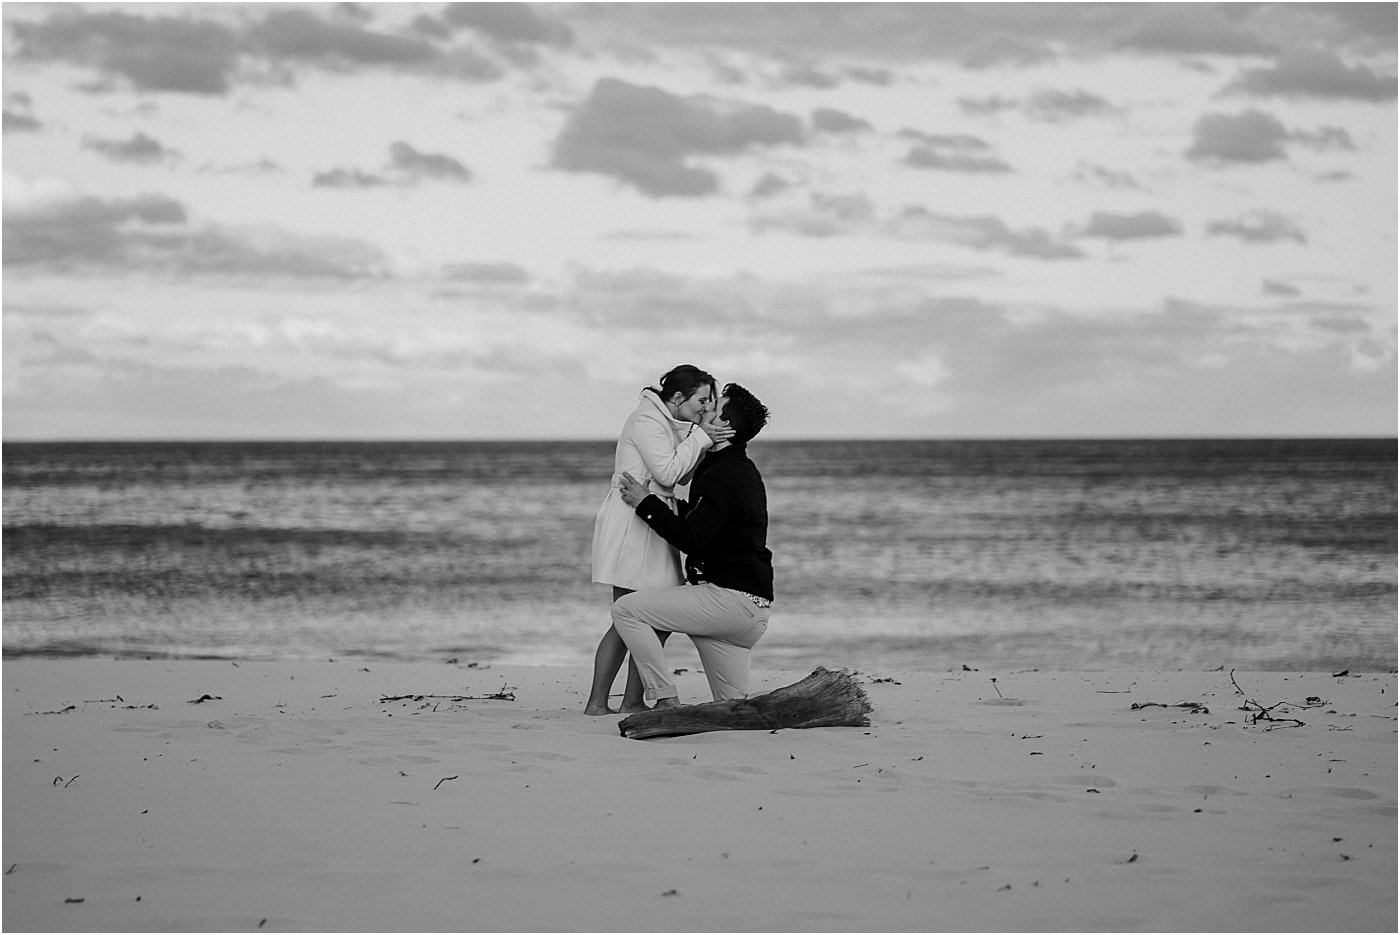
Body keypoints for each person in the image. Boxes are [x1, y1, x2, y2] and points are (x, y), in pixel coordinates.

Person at [584, 366, 734, 715]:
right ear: (678, 397)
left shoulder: (667, 423)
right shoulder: (647, 422)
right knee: (626, 618)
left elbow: (676, 475)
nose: (705, 407)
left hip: (652, 518)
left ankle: (633, 699)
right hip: (632, 523)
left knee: (652, 620)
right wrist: (701, 437)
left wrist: (702, 438)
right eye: (702, 400)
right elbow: (667, 472)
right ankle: (597, 703)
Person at [612, 383, 772, 707]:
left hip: (728, 601)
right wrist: (665, 503)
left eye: (714, 408)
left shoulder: (724, 474)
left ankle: (664, 698)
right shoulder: (732, 468)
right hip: (748, 611)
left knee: (626, 610)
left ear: (725, 428)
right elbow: (705, 521)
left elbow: (691, 538)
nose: (704, 410)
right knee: (733, 710)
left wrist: (645, 503)